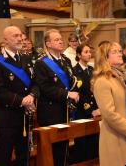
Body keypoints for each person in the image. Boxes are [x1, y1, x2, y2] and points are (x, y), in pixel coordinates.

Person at [0, 26, 39, 166]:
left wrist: (32, 96)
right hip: (8, 117)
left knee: (24, 156)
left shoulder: (26, 58)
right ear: (5, 40)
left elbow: (35, 83)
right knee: (4, 156)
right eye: (15, 36)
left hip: (25, 116)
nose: (20, 38)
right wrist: (23, 100)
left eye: (20, 35)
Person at [34, 29, 79, 166]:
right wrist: (67, 94)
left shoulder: (65, 60)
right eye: (56, 39)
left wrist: (75, 90)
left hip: (64, 110)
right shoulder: (41, 63)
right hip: (50, 111)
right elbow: (45, 88)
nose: (61, 41)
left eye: (61, 39)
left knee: (64, 146)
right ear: (48, 43)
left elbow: (71, 81)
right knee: (53, 149)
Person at [92, 42, 126, 166]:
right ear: (105, 57)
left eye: (120, 51)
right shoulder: (102, 81)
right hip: (116, 138)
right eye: (114, 52)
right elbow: (110, 115)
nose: (120, 54)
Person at [70, 43, 99, 163]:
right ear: (78, 54)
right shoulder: (74, 71)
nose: (89, 54)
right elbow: (78, 94)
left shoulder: (92, 70)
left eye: (89, 52)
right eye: (85, 52)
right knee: (82, 144)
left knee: (94, 143)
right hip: (82, 112)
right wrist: (90, 110)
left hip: (96, 111)